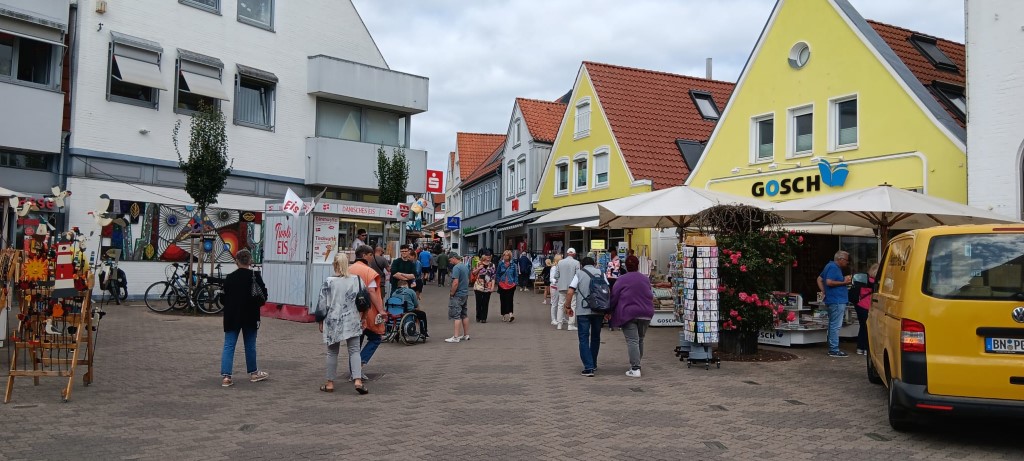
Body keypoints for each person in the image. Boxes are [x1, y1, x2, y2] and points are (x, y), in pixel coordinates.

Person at [312, 252, 369, 395]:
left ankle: (330, 383)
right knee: (354, 350)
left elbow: (322, 304)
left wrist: (320, 321)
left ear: (335, 265)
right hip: (352, 319)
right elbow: (365, 301)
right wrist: (363, 318)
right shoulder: (357, 279)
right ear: (347, 265)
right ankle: (358, 380)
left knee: (332, 352)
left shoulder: (329, 281)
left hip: (333, 320)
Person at [219, 249, 269, 387]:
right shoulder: (255, 276)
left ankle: (226, 377)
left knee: (229, 345)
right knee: (250, 345)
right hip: (250, 316)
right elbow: (263, 296)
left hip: (232, 316)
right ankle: (254, 373)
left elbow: (222, 299)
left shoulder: (230, 277)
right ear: (250, 261)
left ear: (237, 261)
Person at [610, 255, 654, 377]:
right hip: (646, 313)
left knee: (632, 340)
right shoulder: (645, 279)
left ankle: (635, 368)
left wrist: (609, 310)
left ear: (626, 266)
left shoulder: (621, 279)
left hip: (629, 313)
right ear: (638, 265)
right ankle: (637, 364)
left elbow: (614, 296)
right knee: (640, 339)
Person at [563, 256, 606, 376]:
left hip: (583, 310)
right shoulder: (601, 273)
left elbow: (570, 292)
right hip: (598, 310)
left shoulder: (579, 274)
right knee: (596, 337)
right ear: (594, 264)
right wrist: (608, 310)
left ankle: (588, 367)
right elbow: (608, 291)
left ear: (582, 265)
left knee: (583, 338)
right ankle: (594, 363)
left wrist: (567, 306)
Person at [351, 245, 386, 372]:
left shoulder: (348, 269)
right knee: (376, 338)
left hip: (351, 310)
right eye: (371, 255)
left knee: (355, 344)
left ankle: (354, 371)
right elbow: (371, 291)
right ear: (365, 255)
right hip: (367, 310)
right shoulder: (369, 271)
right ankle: (359, 365)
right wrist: (381, 310)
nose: (372, 258)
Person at [819, 250, 853, 357]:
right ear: (840, 259)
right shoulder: (834, 267)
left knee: (832, 324)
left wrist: (824, 291)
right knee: (835, 325)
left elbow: (819, 279)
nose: (847, 262)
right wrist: (844, 282)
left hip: (833, 299)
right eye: (846, 260)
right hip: (837, 300)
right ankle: (834, 349)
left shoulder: (829, 266)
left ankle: (832, 347)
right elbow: (828, 282)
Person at [852, 263, 879, 355]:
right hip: (867, 306)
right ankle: (866, 349)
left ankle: (860, 348)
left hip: (860, 305)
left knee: (863, 327)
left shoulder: (864, 280)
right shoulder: (875, 283)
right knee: (869, 328)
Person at [445, 253, 471, 343]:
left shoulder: (456, 268)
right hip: (465, 293)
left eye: (450, 260)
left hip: (458, 294)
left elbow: (455, 282)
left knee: (456, 315)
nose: (450, 262)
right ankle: (466, 334)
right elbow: (468, 279)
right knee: (464, 314)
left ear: (453, 258)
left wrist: (452, 293)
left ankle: (456, 337)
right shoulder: (464, 266)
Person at [554, 248, 580, 330]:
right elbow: (578, 275)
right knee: (573, 305)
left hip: (562, 286)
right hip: (572, 288)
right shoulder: (576, 263)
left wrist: (559, 280)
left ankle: (559, 324)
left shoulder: (560, 262)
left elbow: (556, 275)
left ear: (567, 253)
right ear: (574, 254)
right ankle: (570, 324)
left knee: (560, 305)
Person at [471, 251, 496, 323]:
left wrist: (492, 287)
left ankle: (484, 318)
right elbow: (473, 273)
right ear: (484, 256)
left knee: (485, 302)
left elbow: (493, 276)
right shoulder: (479, 263)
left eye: (489, 256)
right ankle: (478, 316)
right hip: (479, 286)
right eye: (487, 256)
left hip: (488, 286)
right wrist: (479, 268)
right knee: (479, 302)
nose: (488, 258)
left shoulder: (492, 265)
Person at [496, 250, 519, 322]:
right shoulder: (500, 264)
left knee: (510, 300)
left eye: (507, 255)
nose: (505, 256)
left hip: (511, 285)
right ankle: (503, 315)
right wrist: (498, 282)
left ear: (510, 256)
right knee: (503, 300)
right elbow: (497, 273)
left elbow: (515, 275)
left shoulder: (513, 264)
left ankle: (511, 314)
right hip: (502, 284)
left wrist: (515, 283)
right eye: (504, 255)